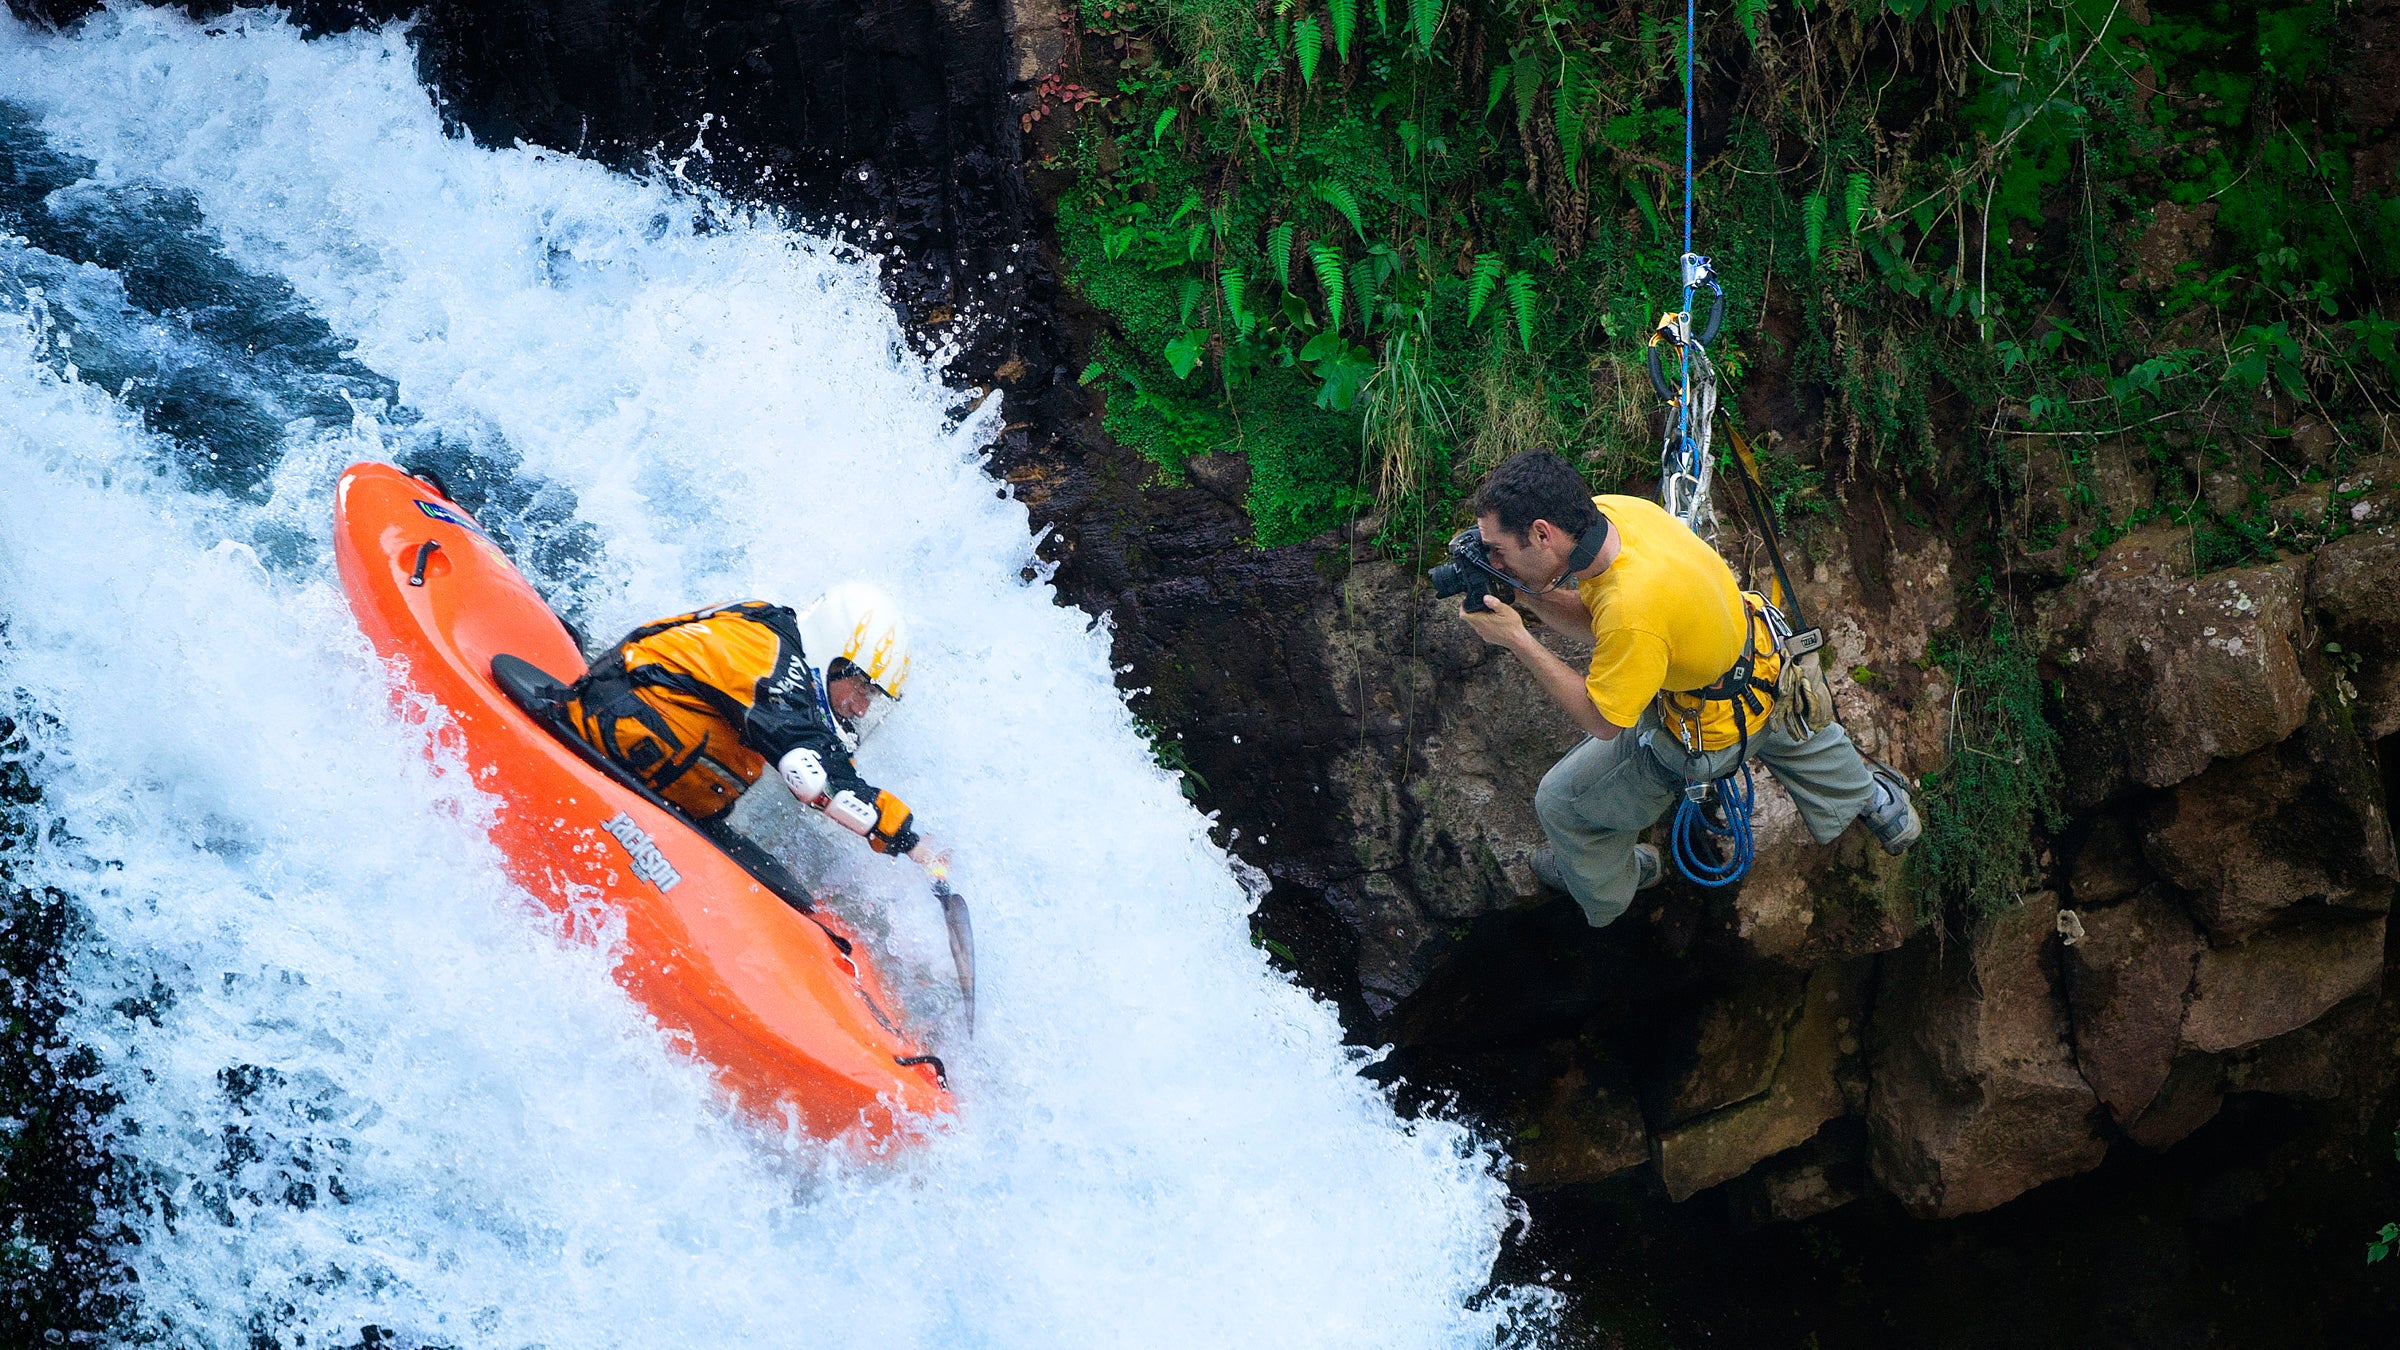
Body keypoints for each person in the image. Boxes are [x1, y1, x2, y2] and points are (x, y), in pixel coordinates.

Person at [1453, 449, 1917, 928]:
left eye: (1498, 551)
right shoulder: (1614, 515)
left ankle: (1613, 887)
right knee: (1794, 727)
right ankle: (1873, 799)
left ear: (1541, 533)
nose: (1494, 560)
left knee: (1560, 803)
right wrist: (1522, 592)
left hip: (1708, 730)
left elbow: (1603, 719)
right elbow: (1601, 620)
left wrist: (1518, 639)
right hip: (1767, 664)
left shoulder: (1633, 611)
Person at [564, 581, 947, 873]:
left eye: (871, 696)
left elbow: (816, 746)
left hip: (646, 784)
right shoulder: (769, 658)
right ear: (835, 651)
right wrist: (911, 843)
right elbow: (812, 775)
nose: (861, 709)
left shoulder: (777, 646)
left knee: (781, 885)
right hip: (592, 750)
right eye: (861, 688)